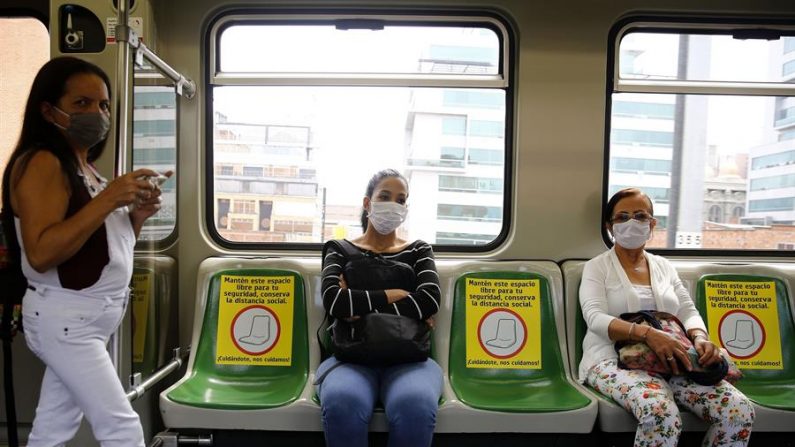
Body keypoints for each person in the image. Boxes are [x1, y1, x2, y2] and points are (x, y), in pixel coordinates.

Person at [1, 56, 170, 446]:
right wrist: (111, 198)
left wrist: (136, 216)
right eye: (82, 104)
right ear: (48, 110)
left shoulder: (86, 169)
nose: (97, 114)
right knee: (122, 428)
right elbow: (42, 253)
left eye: (103, 105)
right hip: (67, 323)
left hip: (86, 321)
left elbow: (96, 242)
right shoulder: (42, 163)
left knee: (53, 429)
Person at [579, 187, 755, 446]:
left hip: (673, 360)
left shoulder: (664, 266)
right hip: (613, 359)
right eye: (622, 217)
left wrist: (700, 338)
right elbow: (594, 318)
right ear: (610, 226)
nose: (632, 223)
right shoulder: (597, 267)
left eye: (640, 216)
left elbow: (687, 311)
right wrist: (649, 334)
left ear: (652, 224)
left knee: (738, 411)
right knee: (661, 413)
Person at [316, 169, 442, 447]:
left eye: (401, 200)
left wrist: (361, 305)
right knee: (342, 403)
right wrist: (396, 294)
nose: (393, 205)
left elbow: (429, 300)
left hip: (410, 359)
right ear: (367, 203)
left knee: (416, 406)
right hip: (351, 358)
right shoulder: (338, 249)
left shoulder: (419, 250)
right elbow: (335, 301)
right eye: (385, 197)